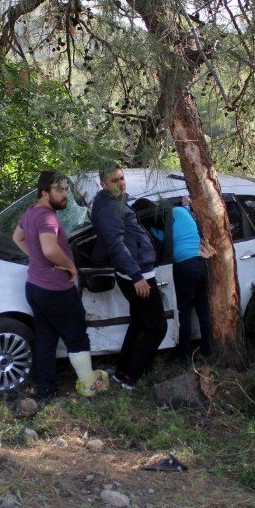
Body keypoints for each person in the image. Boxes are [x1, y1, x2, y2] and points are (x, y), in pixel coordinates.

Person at [13, 171, 109, 401]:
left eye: (66, 189)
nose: (65, 194)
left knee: (46, 337)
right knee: (76, 336)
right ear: (45, 193)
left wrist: (34, 258)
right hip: (56, 289)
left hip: (35, 287)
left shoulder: (30, 213)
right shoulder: (47, 217)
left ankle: (45, 390)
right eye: (59, 190)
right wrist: (70, 266)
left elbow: (17, 238)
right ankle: (89, 385)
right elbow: (49, 249)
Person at [90, 165, 167, 388]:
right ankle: (131, 377)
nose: (121, 183)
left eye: (122, 178)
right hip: (138, 274)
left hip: (134, 271)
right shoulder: (109, 209)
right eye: (114, 181)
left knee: (138, 323)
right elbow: (116, 245)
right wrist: (137, 276)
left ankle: (122, 371)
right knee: (156, 327)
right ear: (104, 184)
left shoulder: (114, 203)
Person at [142, 198, 215, 362]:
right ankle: (208, 349)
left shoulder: (161, 229)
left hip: (184, 267)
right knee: (203, 309)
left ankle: (185, 354)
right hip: (202, 261)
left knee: (185, 312)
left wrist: (150, 227)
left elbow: (160, 243)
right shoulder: (182, 211)